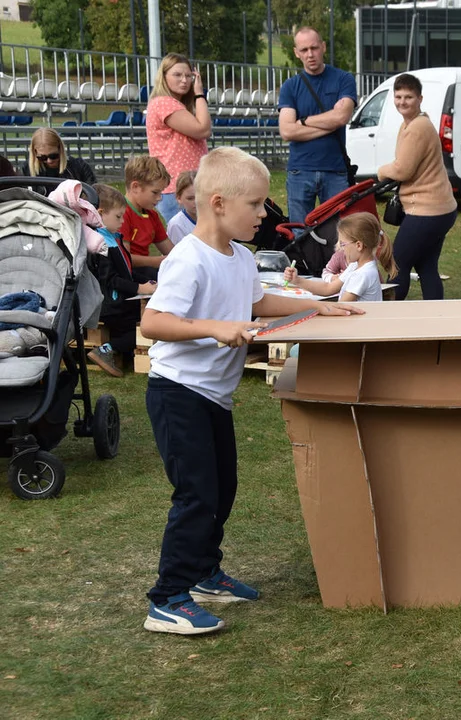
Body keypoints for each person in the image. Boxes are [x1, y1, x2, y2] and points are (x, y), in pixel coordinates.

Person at [140, 147, 356, 635]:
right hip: (178, 393)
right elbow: (152, 321)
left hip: (214, 396)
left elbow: (257, 299)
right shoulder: (187, 259)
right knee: (196, 494)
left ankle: (204, 574)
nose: (264, 214)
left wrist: (314, 306)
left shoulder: (240, 256)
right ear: (218, 203)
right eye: (256, 205)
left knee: (223, 489)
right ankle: (167, 598)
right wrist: (214, 328)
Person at [377, 73, 458, 300]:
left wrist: (381, 171)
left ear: (420, 98)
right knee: (426, 266)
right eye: (398, 96)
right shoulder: (412, 124)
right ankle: (436, 319)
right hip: (441, 209)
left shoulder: (417, 127)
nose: (402, 101)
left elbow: (403, 169)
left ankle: (389, 319)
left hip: (426, 210)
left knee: (397, 265)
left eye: (409, 97)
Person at [277, 27, 357, 223]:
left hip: (335, 170)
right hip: (300, 170)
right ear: (296, 53)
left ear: (323, 47)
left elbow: (342, 117)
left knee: (339, 232)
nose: (310, 54)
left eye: (314, 48)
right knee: (299, 232)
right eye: (304, 50)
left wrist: (304, 121)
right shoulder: (290, 86)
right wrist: (330, 121)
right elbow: (287, 131)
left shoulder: (344, 79)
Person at [87, 183, 156, 378]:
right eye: (118, 216)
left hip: (119, 302)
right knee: (145, 329)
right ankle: (107, 349)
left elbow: (127, 271)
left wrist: (147, 282)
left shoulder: (113, 238)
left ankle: (118, 350)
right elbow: (111, 280)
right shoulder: (100, 245)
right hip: (112, 306)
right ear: (100, 214)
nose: (122, 221)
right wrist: (139, 288)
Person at [146, 52, 210, 223]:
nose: (184, 80)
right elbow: (203, 129)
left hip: (185, 185)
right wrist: (199, 94)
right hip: (176, 186)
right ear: (164, 76)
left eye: (189, 76)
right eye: (177, 75)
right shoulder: (164, 103)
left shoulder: (175, 104)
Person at [283, 212, 396, 302]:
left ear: (359, 245)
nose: (341, 249)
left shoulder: (362, 275)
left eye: (343, 244)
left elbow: (342, 305)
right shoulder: (355, 266)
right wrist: (298, 281)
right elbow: (328, 288)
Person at [121, 154, 172, 272]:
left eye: (161, 193)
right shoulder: (122, 214)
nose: (160, 198)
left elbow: (169, 249)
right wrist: (158, 261)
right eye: (155, 192)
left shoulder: (152, 216)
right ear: (135, 187)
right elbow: (124, 258)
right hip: (130, 275)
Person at [21, 128, 96, 185]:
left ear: (60, 149)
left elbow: (93, 194)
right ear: (35, 152)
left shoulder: (79, 167)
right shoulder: (26, 170)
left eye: (53, 156)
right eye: (42, 157)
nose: (49, 161)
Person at [166, 171, 197, 246]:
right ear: (179, 198)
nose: (196, 202)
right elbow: (180, 255)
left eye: (201, 196)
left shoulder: (216, 216)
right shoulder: (177, 225)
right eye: (190, 198)